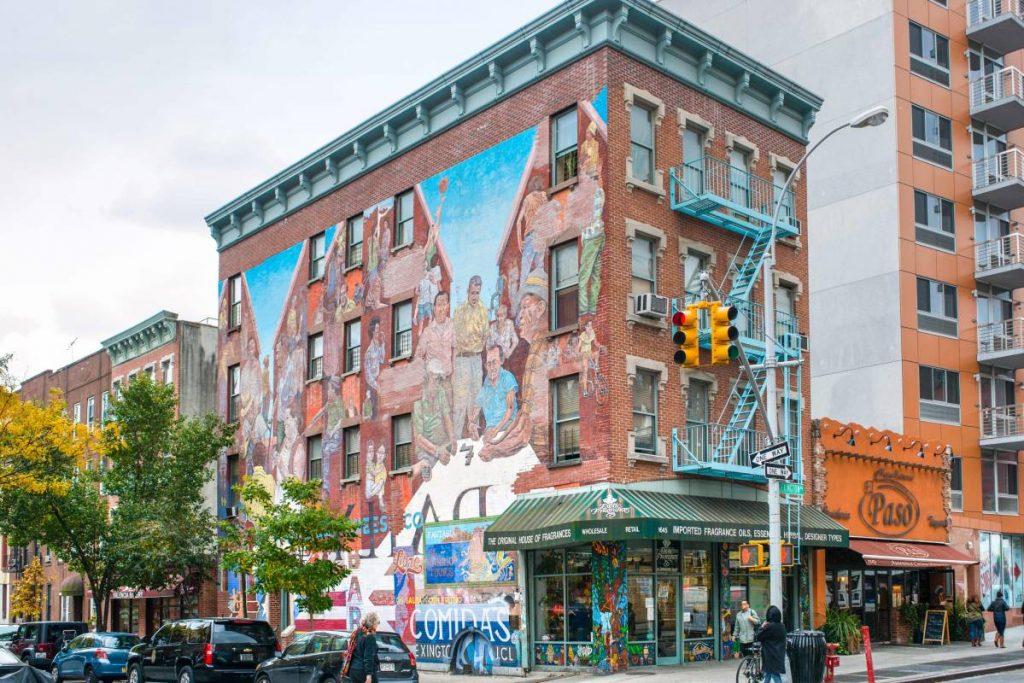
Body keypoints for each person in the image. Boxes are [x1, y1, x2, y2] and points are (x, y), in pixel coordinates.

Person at [344, 612, 380, 683]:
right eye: (378, 622)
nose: (378, 625)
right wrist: (369, 675)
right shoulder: (369, 636)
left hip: (353, 670)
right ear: (373, 623)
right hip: (363, 672)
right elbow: (368, 657)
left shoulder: (356, 633)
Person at [755, 605, 786, 683]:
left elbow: (758, 636)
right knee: (768, 674)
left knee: (774, 675)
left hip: (770, 656)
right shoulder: (782, 626)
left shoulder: (770, 626)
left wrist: (762, 626)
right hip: (778, 655)